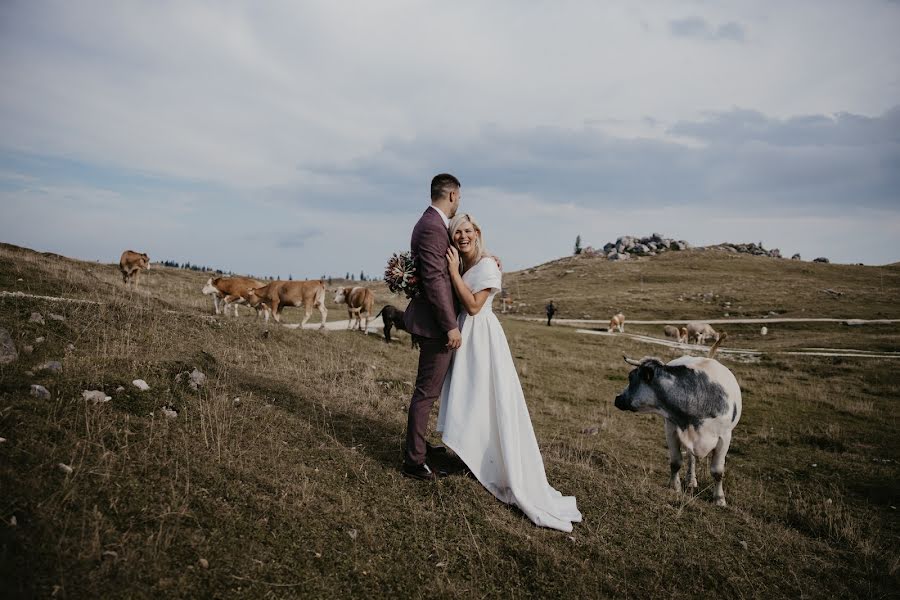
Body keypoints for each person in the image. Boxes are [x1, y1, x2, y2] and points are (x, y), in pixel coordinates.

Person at [436, 213, 582, 533]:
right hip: (465, 337)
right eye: (456, 232)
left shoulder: (487, 266)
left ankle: (487, 463)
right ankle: (467, 455)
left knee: (486, 398)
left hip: (483, 339)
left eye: (467, 231)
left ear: (477, 233)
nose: (462, 236)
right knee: (468, 398)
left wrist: (451, 271)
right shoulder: (465, 265)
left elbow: (474, 306)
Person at [401, 174, 462, 481]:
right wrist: (450, 326)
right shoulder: (431, 228)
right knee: (425, 394)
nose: (458, 203)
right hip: (436, 327)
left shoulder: (432, 225)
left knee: (428, 392)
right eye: (459, 198)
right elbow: (435, 280)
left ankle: (420, 445)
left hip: (434, 323)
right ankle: (414, 460)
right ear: (451, 195)